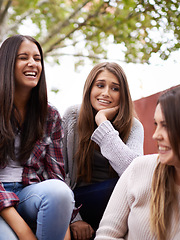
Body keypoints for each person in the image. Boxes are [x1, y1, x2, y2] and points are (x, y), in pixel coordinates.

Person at [0, 34, 74, 240]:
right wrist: (26, 234)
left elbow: (56, 176)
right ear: (7, 63)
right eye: (23, 57)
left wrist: (66, 229)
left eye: (37, 58)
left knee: (60, 192)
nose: (32, 63)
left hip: (31, 193)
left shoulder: (50, 114)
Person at [95, 84, 180, 240]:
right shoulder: (139, 168)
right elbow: (106, 235)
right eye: (156, 124)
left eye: (166, 126)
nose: (156, 135)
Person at [62, 62, 144, 239]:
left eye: (115, 88)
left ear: (123, 94)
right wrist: (74, 218)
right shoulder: (72, 117)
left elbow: (135, 174)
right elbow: (59, 173)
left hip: (117, 204)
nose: (106, 93)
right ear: (89, 88)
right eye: (100, 85)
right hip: (77, 201)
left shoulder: (134, 126)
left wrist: (103, 124)